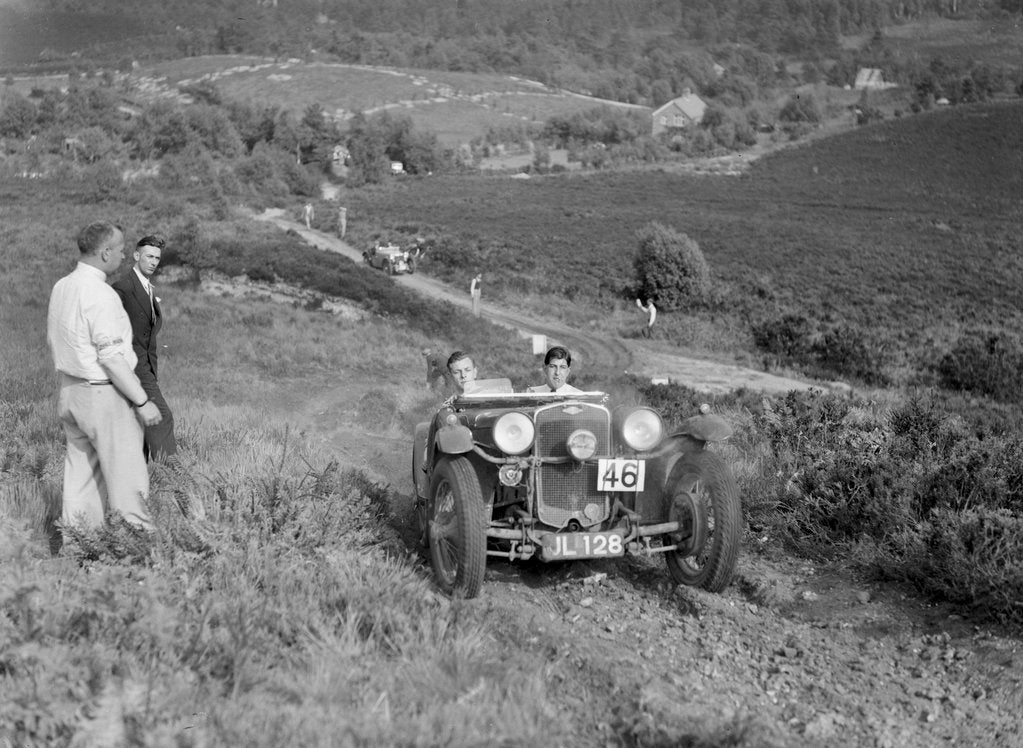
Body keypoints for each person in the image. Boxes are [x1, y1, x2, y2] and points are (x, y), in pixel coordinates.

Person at [46, 221, 163, 531]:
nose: (125, 256)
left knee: (81, 482)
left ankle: (82, 554)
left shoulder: (62, 286)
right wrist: (141, 401)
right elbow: (111, 357)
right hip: (103, 394)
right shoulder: (101, 294)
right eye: (122, 250)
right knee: (129, 483)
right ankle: (138, 557)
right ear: (105, 252)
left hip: (71, 392)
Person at [112, 234, 178, 463]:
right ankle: (176, 481)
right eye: (149, 256)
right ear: (136, 255)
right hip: (132, 368)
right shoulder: (123, 288)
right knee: (161, 417)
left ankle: (140, 488)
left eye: (157, 258)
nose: (153, 262)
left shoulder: (149, 289)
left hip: (147, 369)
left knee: (138, 429)